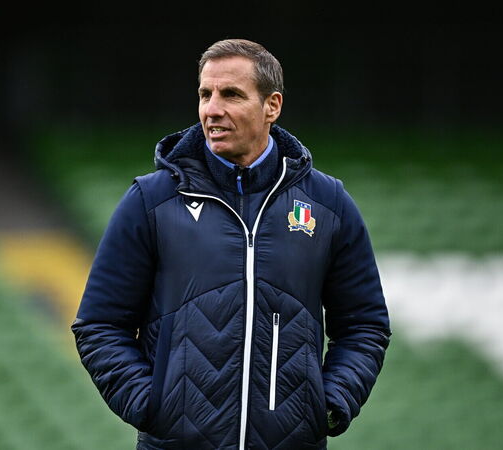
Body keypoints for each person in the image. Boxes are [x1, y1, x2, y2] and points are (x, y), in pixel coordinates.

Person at [71, 38, 391, 449]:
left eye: (231, 95)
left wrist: (327, 405)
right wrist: (153, 407)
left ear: (272, 106)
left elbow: (364, 325)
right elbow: (99, 324)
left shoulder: (328, 204)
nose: (212, 109)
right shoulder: (151, 201)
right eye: (205, 94)